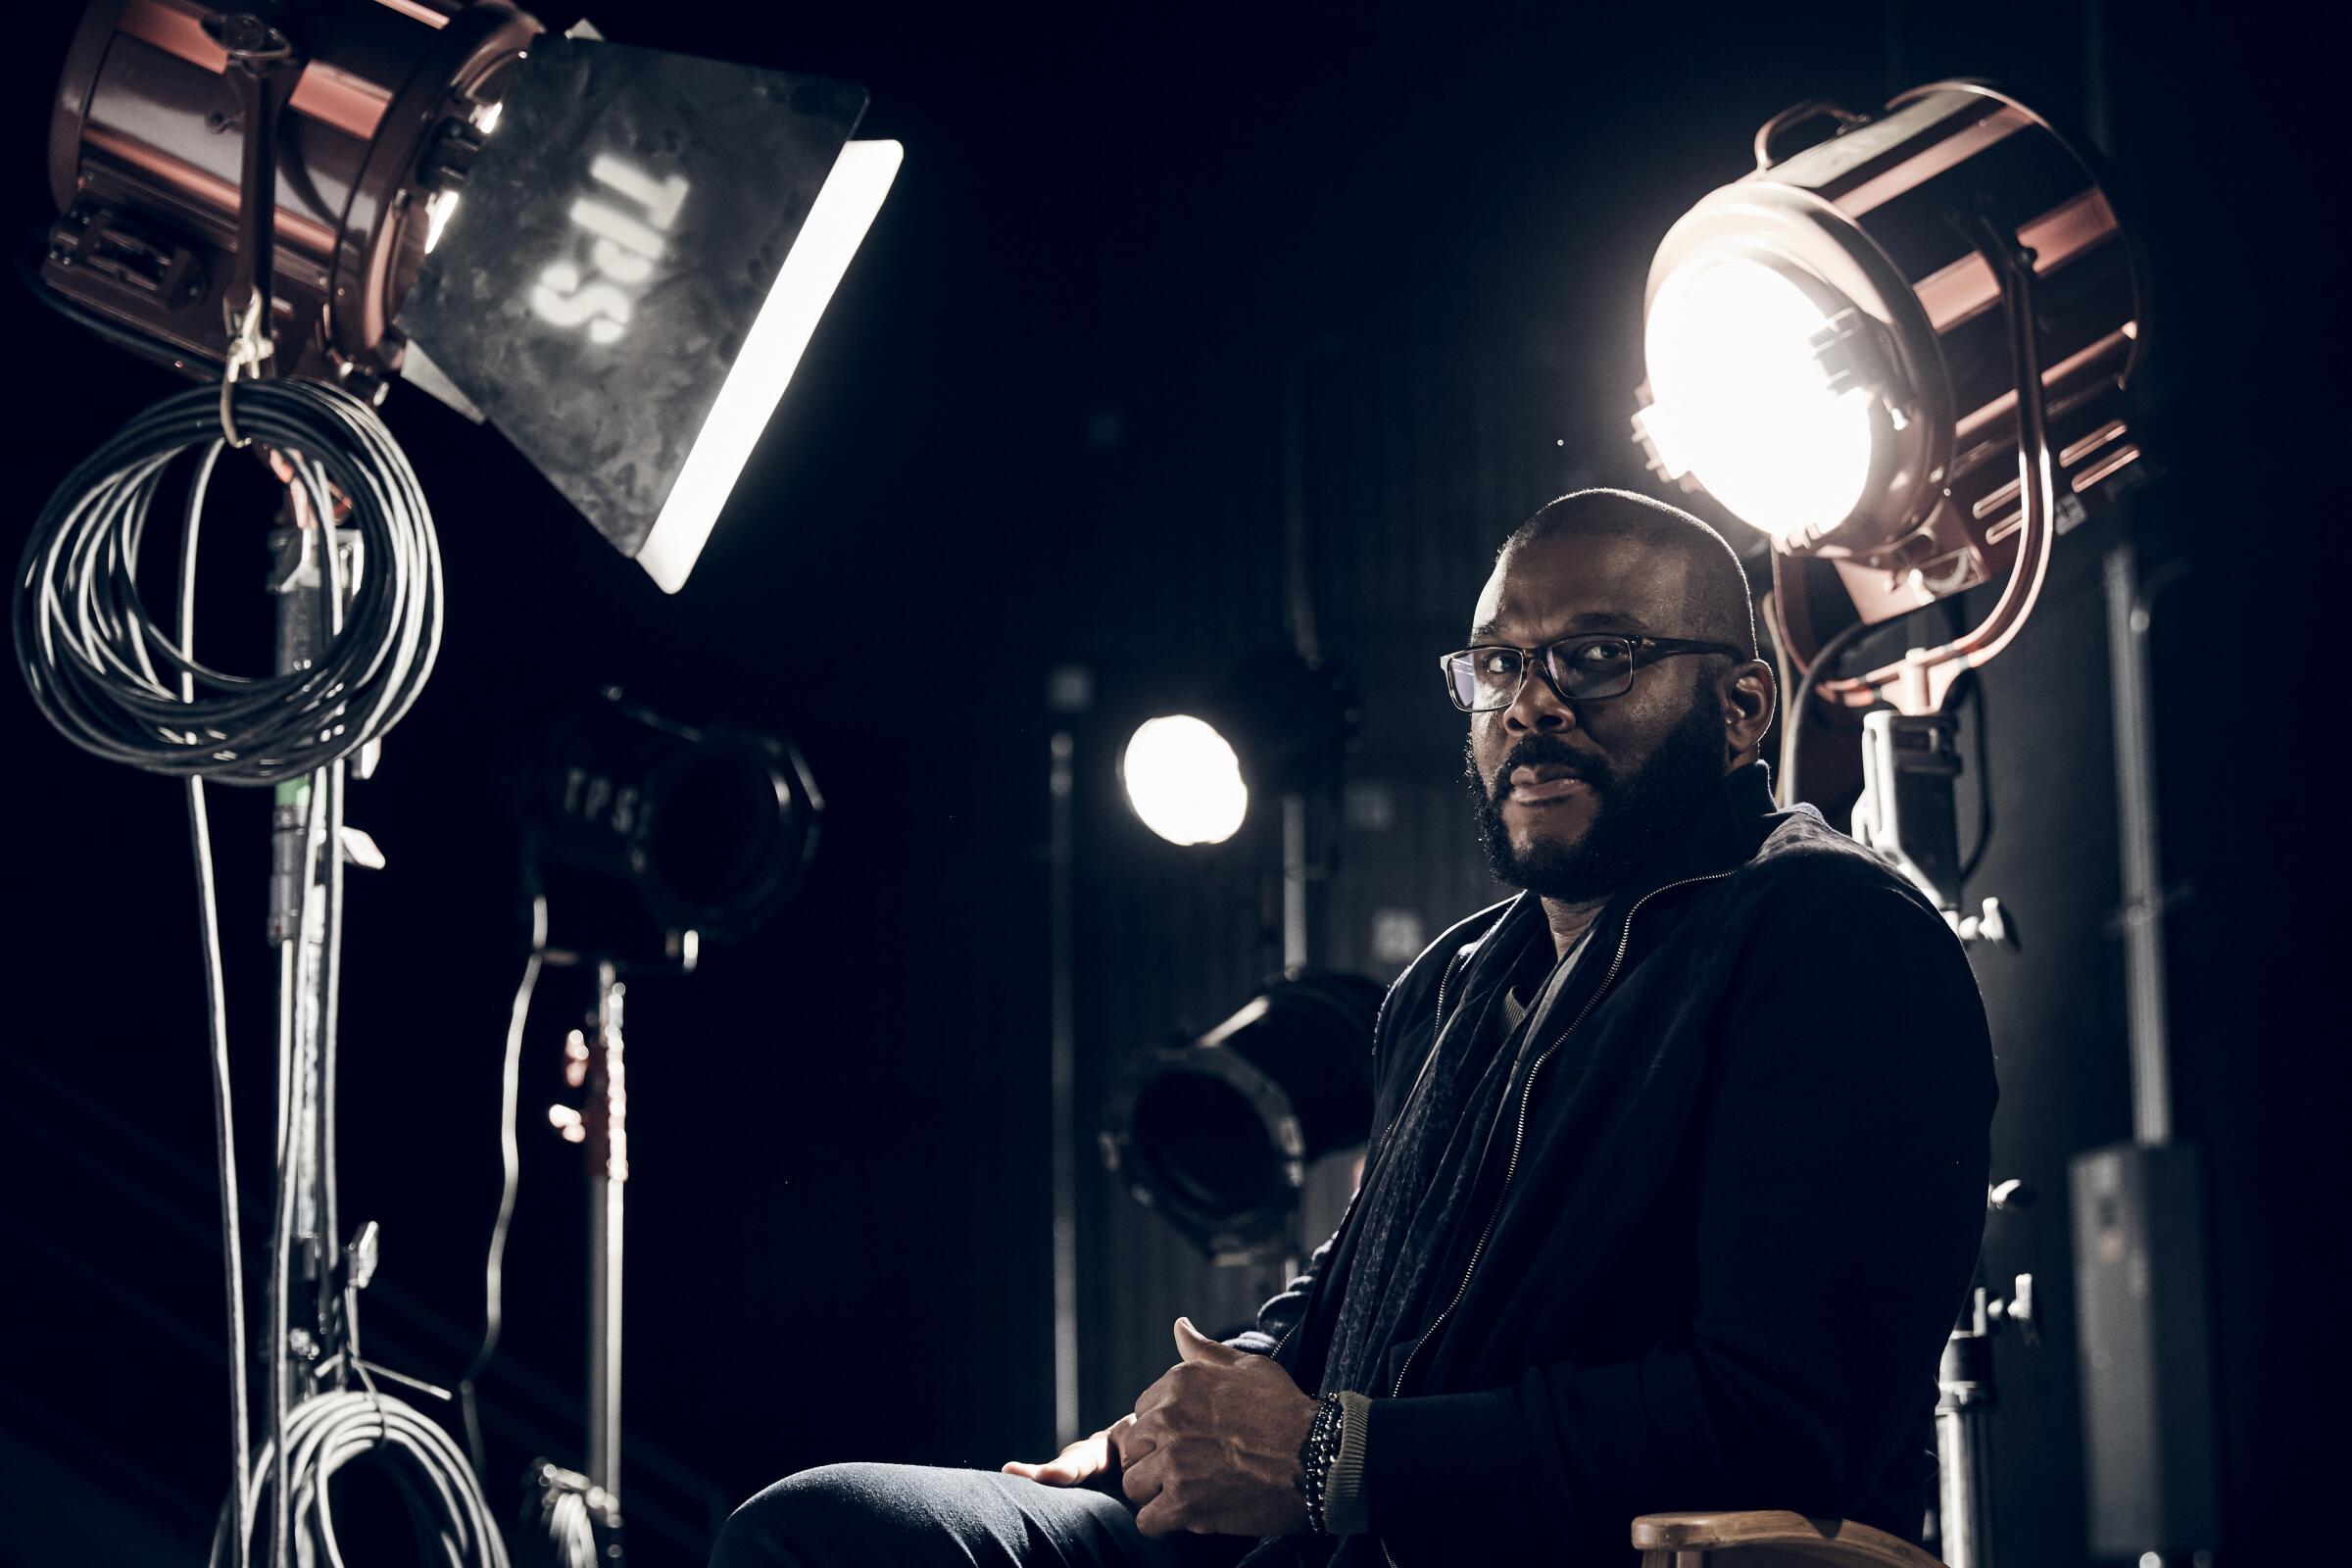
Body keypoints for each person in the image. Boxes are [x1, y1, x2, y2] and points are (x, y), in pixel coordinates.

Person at [711, 489, 1995, 1567]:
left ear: (1743, 710)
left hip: (1527, 1548)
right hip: (1327, 1533)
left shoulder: (1827, 937)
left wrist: (1339, 1458)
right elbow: (1362, 1287)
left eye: (1598, 657)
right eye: (1500, 666)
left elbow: (1777, 1420)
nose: (1534, 704)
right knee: (828, 1534)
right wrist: (1183, 1424)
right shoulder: (1456, 977)